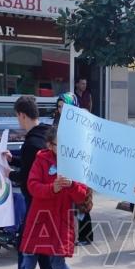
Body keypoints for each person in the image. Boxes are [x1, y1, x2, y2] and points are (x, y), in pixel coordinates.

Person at [5, 127, 90, 269]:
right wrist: (53, 187)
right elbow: (32, 186)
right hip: (39, 218)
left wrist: (71, 185)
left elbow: (82, 195)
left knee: (57, 263)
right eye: (60, 145)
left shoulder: (75, 163)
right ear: (50, 145)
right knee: (28, 261)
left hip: (59, 220)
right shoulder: (41, 159)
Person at [0, 96, 57, 269]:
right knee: (39, 242)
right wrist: (15, 159)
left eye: (17, 117)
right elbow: (34, 164)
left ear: (22, 115)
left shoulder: (31, 142)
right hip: (49, 199)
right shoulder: (46, 134)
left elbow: (28, 176)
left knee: (25, 243)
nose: (18, 121)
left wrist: (8, 173)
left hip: (36, 200)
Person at [53, 92, 95, 245]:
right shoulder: (56, 123)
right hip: (64, 166)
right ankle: (71, 235)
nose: (61, 110)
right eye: (59, 107)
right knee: (68, 201)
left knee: (82, 201)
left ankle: (86, 236)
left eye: (65, 107)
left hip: (80, 167)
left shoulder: (82, 124)